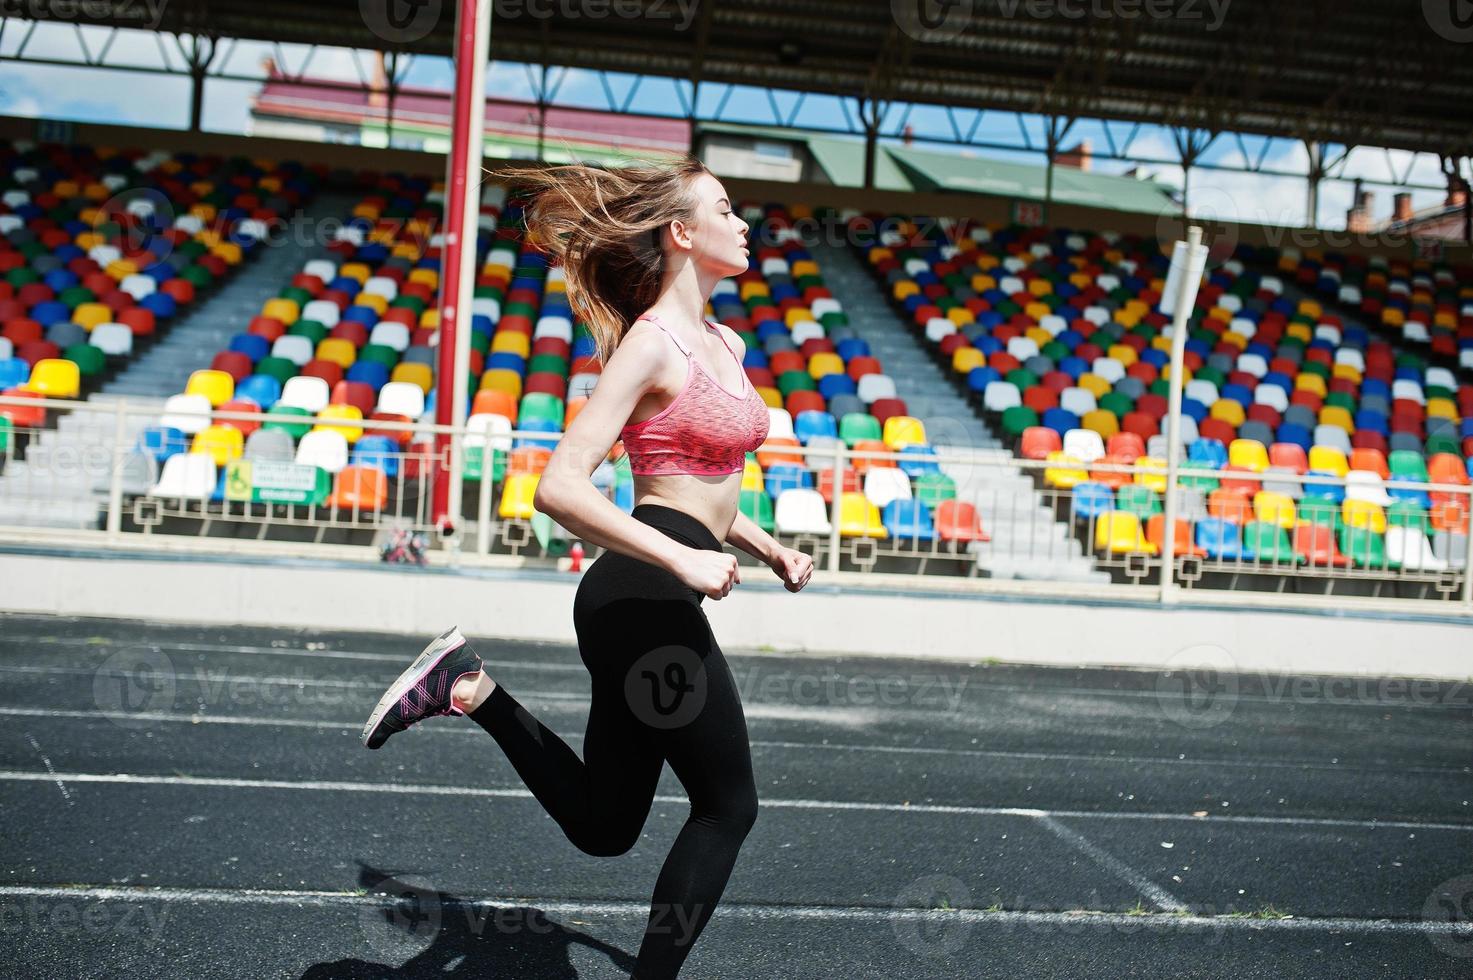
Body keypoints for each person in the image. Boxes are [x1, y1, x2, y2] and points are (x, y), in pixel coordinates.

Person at [360, 155, 815, 978]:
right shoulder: (650, 344)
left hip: (653, 600)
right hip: (639, 600)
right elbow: (558, 487)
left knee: (606, 828)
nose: (744, 223)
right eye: (724, 208)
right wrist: (684, 557)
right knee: (727, 805)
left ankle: (472, 690)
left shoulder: (726, 339)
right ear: (682, 233)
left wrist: (765, 545)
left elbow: (703, 485)